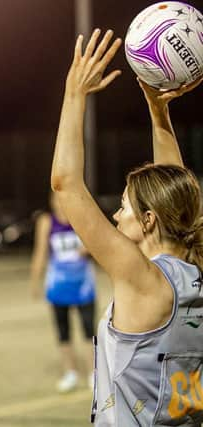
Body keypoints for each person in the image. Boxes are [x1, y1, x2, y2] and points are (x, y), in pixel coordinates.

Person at [51, 28, 203, 426]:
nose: (116, 217)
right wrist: (159, 112)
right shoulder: (197, 271)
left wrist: (73, 94)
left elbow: (65, 184)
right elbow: (177, 187)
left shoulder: (142, 279)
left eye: (123, 207)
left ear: (150, 219)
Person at [30, 192, 96, 393]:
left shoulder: (81, 219)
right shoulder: (46, 222)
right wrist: (35, 280)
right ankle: (70, 373)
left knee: (88, 330)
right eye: (55, 200)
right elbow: (41, 251)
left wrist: (88, 249)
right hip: (58, 285)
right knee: (63, 331)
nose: (59, 204)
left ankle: (94, 374)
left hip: (83, 284)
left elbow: (98, 245)